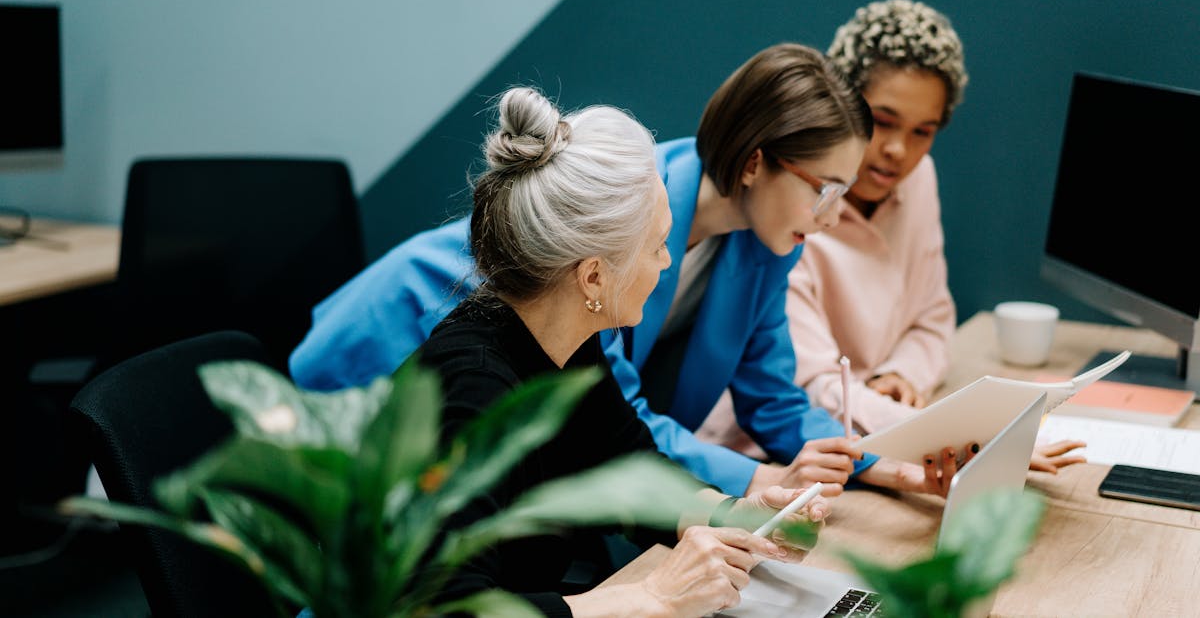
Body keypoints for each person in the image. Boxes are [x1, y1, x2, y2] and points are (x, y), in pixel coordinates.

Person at [290, 43, 970, 498]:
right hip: (396, 339)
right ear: (757, 161)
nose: (830, 216)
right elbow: (627, 415)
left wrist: (893, 468)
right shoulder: (626, 231)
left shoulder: (769, 243)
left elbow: (774, 399)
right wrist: (759, 482)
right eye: (824, 188)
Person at [419, 85, 827, 617]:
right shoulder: (471, 391)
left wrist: (738, 516)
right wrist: (651, 598)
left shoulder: (569, 344)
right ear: (593, 276)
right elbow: (443, 607)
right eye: (657, 246)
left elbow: (630, 468)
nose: (665, 263)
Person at [702, 0, 1085, 473]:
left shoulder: (918, 179)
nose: (899, 152)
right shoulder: (788, 209)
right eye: (882, 122)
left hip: (870, 435)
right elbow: (807, 387)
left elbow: (932, 315)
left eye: (923, 131)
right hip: (772, 454)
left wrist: (900, 374)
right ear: (842, 106)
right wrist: (959, 435)